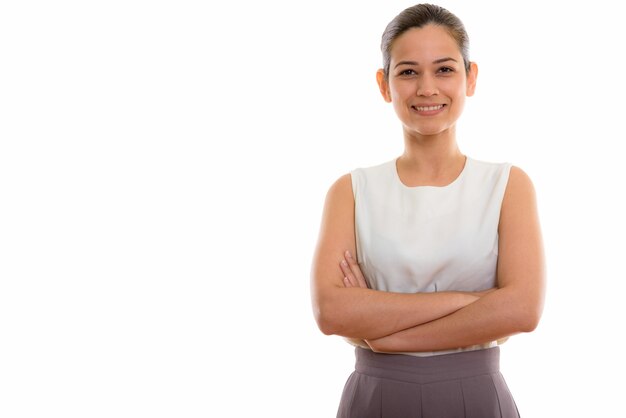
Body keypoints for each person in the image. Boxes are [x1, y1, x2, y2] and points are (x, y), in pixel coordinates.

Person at [310, 3, 546, 417]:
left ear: (470, 78)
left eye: (444, 69)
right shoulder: (351, 190)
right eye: (408, 72)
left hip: (476, 396)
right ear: (384, 85)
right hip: (376, 397)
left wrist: (386, 334)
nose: (427, 88)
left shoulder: (508, 185)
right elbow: (332, 312)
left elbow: (523, 310)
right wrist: (473, 301)